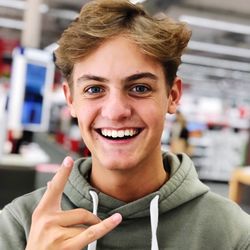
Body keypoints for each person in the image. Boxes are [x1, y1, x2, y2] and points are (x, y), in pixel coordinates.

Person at [0, 0, 250, 249]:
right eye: (94, 89)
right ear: (71, 100)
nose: (116, 111)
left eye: (140, 88)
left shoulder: (234, 235)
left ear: (172, 96)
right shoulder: (19, 226)